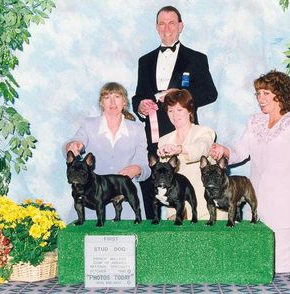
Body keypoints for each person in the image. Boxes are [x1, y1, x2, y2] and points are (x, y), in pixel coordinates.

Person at [209, 70, 290, 273]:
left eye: (266, 93)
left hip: (286, 206)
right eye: (258, 94)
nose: (260, 98)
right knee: (258, 259)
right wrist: (224, 151)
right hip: (255, 204)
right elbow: (240, 152)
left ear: (280, 94)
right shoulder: (255, 121)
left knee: (279, 265)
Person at [132, 5, 218, 219]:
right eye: (162, 23)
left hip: (184, 132)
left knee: (187, 188)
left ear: (181, 26)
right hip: (154, 133)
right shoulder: (145, 61)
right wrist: (140, 106)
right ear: (156, 27)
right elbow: (138, 95)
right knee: (151, 185)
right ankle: (153, 231)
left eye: (171, 23)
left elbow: (210, 93)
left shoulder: (197, 58)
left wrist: (181, 94)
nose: (166, 28)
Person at [65, 82, 150, 219]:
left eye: (117, 96)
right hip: (90, 200)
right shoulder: (88, 124)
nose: (112, 102)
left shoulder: (138, 129)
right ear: (101, 103)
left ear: (124, 102)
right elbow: (75, 141)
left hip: (126, 202)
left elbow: (145, 167)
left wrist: (137, 169)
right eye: (107, 97)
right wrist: (73, 145)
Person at [157, 89, 227, 220]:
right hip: (177, 210)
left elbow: (202, 147)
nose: (174, 115)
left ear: (189, 110)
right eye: (170, 110)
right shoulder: (163, 141)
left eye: (179, 110)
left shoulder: (205, 132)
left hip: (207, 208)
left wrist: (179, 149)